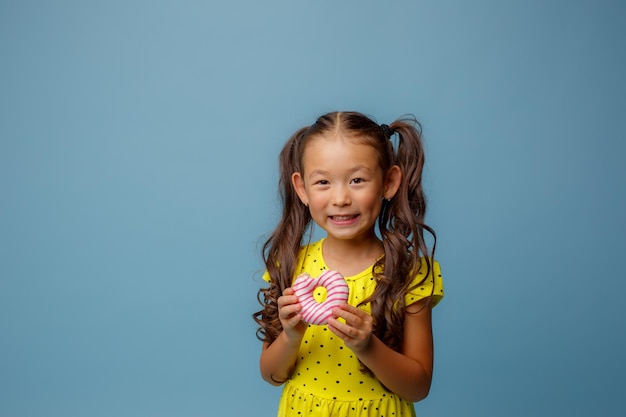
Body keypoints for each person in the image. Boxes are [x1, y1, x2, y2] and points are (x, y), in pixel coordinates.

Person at [253, 111, 444, 416]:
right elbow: (270, 374)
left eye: (357, 180)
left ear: (389, 182)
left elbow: (418, 387)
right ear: (302, 189)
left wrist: (368, 347)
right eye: (323, 182)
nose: (340, 198)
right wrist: (291, 335)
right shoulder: (291, 264)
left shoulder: (411, 274)